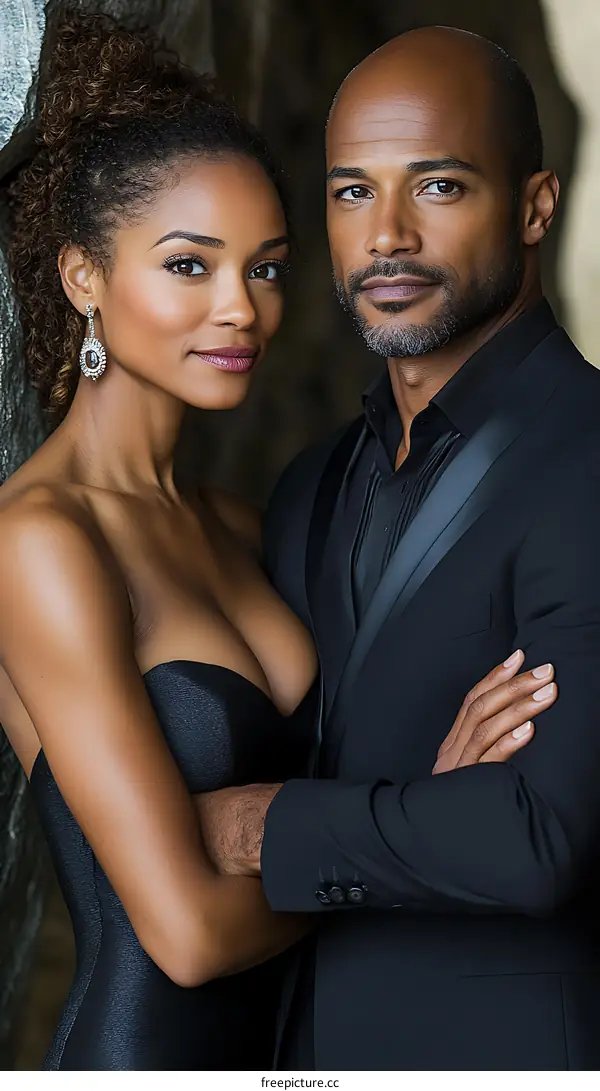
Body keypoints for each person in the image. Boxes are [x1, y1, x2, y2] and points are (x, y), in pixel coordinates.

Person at [1, 14, 554, 1071]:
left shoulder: (247, 525)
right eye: (188, 265)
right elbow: (187, 931)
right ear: (83, 278)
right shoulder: (41, 542)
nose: (239, 311)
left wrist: (360, 830)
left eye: (264, 268)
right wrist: (421, 838)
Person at [196, 27, 600, 1072]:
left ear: (535, 205)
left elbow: (533, 834)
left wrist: (262, 827)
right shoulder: (309, 487)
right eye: (349, 192)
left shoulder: (588, 457)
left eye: (438, 187)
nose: (384, 235)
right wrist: (425, 798)